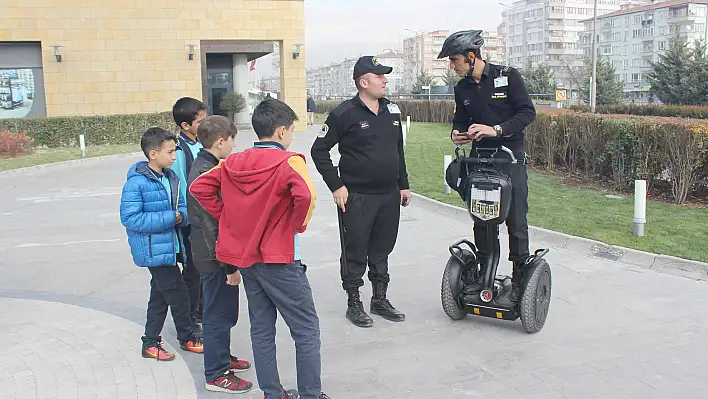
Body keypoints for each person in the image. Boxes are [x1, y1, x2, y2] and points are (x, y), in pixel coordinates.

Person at [189, 98, 330, 399]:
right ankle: (310, 394)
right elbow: (306, 197)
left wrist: (229, 218)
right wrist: (295, 225)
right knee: (306, 329)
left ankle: (272, 393)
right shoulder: (289, 161)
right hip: (281, 259)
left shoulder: (232, 162)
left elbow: (198, 188)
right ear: (281, 132)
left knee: (261, 329)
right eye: (291, 130)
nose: (291, 136)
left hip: (249, 261)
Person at [310, 56, 411, 328]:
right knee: (355, 250)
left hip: (389, 195)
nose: (385, 81)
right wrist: (337, 185)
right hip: (357, 196)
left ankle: (379, 299)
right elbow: (318, 150)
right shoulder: (344, 113)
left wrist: (404, 184)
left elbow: (398, 151)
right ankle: (353, 302)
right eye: (379, 77)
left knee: (382, 248)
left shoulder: (392, 111)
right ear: (363, 82)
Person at [438, 29, 537, 303]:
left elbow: (528, 113)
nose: (452, 65)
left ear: (472, 56)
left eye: (455, 59)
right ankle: (484, 273)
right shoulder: (462, 88)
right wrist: (457, 133)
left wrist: (496, 129)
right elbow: (460, 119)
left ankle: (519, 278)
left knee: (516, 221)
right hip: (479, 161)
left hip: (510, 159)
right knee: (482, 218)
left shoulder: (508, 76)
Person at [119, 127, 204, 361]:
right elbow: (130, 218)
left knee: (159, 296)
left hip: (171, 247)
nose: (174, 157)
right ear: (153, 154)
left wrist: (181, 216)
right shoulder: (136, 183)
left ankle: (150, 342)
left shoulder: (171, 178)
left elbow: (183, 208)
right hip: (152, 251)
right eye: (169, 152)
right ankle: (187, 337)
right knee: (179, 295)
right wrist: (171, 217)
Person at [185, 115, 253, 393]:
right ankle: (216, 374)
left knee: (223, 312)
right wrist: (229, 267)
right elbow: (213, 226)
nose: (234, 146)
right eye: (232, 140)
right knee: (216, 314)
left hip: (212, 253)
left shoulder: (208, 164)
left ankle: (222, 357)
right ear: (221, 140)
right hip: (214, 256)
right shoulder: (205, 171)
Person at [170, 96, 208, 326]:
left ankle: (202, 310)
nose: (206, 124)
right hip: (190, 221)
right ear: (185, 125)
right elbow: (180, 187)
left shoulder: (201, 144)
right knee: (192, 270)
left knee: (205, 268)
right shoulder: (179, 151)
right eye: (201, 121)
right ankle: (191, 315)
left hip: (205, 218)